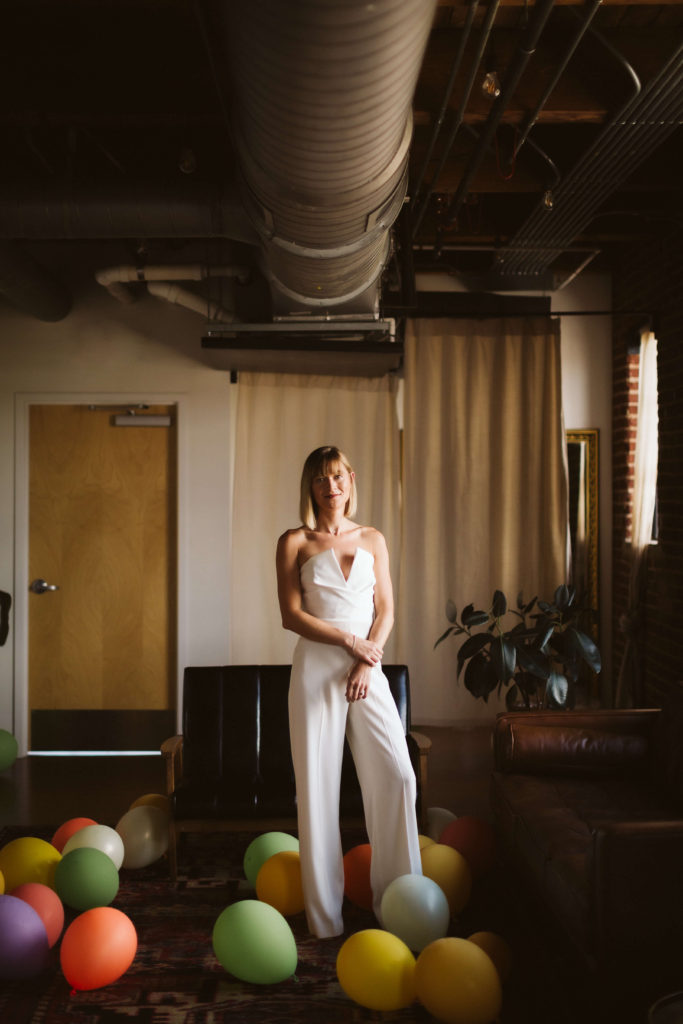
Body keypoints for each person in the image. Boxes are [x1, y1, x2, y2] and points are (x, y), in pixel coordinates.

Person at [276, 444, 422, 939]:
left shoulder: (374, 538)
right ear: (310, 487)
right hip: (316, 670)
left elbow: (387, 613)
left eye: (338, 478)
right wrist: (347, 641)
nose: (331, 488)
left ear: (351, 480)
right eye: (321, 480)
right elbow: (291, 616)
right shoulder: (294, 541)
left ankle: (399, 902)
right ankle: (325, 922)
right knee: (316, 792)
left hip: (366, 670)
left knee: (398, 777)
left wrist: (365, 659)